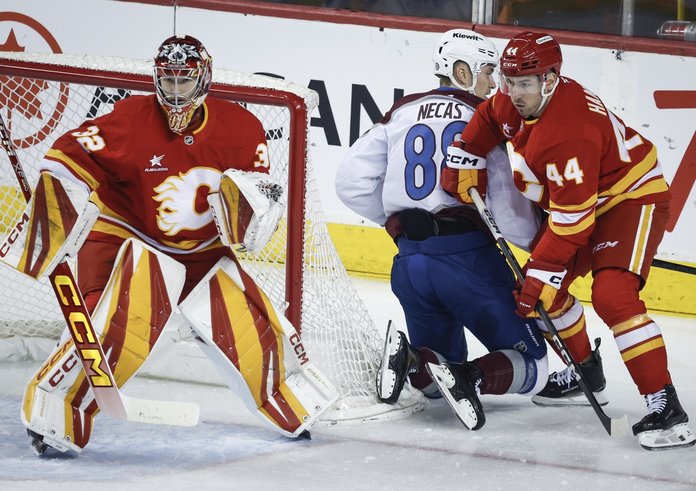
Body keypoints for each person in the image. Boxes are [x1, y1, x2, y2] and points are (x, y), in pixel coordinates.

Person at [8, 34, 336, 455]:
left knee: (251, 324)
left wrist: (252, 217)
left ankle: (289, 398)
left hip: (203, 251)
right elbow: (66, 157)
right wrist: (51, 223)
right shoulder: (129, 119)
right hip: (123, 235)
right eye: (168, 80)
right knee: (115, 324)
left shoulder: (242, 128)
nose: (175, 91)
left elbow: (257, 199)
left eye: (184, 80)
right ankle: (56, 409)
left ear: (204, 78)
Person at [438, 30, 695, 451]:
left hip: (630, 198)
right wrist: (466, 152)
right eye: (509, 81)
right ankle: (585, 372)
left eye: (525, 83)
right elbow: (488, 118)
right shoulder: (514, 97)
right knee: (539, 294)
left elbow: (574, 225)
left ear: (551, 80)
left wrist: (543, 270)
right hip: (580, 207)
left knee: (613, 296)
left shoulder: (569, 132)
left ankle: (666, 406)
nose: (514, 93)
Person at [335, 29, 548, 431]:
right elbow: (507, 208)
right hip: (468, 262)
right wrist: (547, 244)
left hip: (410, 265)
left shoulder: (400, 111)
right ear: (461, 70)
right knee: (534, 366)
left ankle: (413, 361)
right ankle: (474, 377)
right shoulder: (484, 119)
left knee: (435, 384)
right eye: (487, 72)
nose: (493, 83)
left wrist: (396, 224)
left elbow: (349, 182)